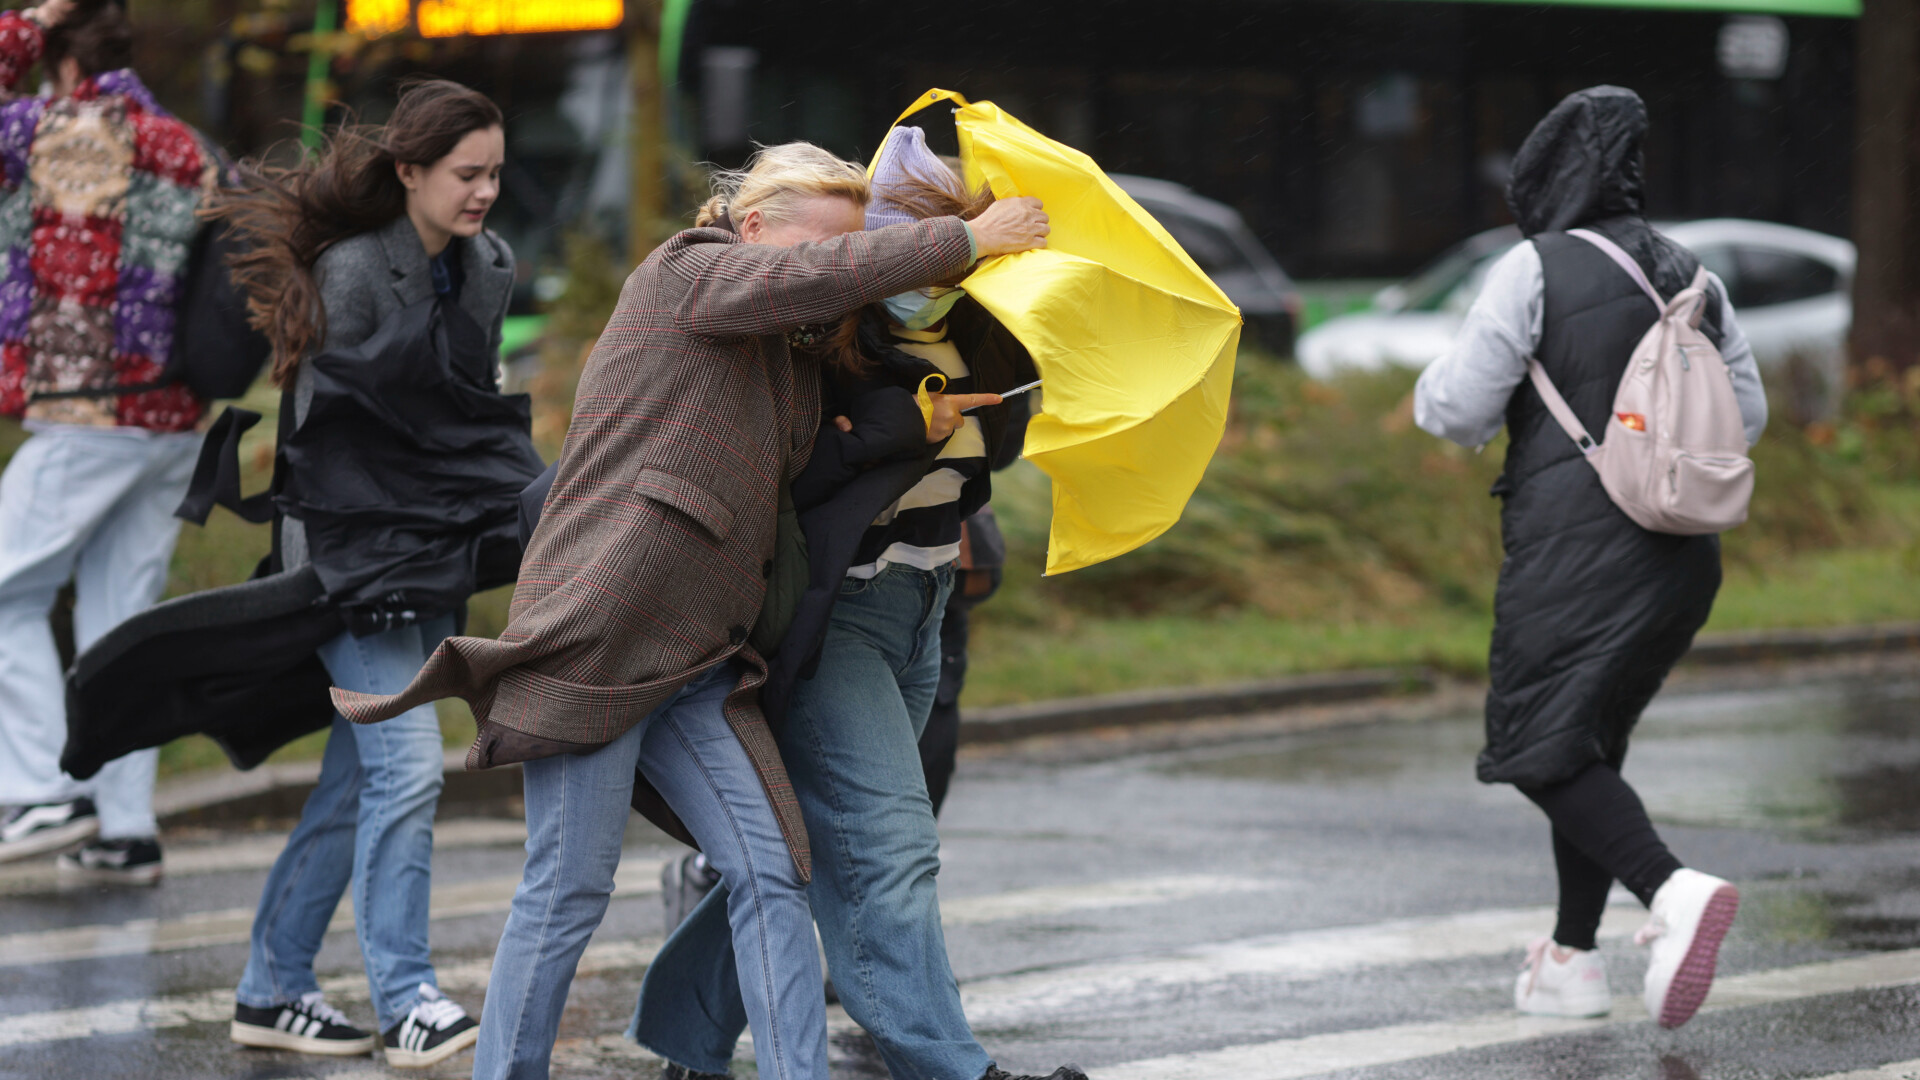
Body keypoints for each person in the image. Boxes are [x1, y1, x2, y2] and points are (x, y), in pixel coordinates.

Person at [329, 141, 1050, 1080]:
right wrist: (966, 239)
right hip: (602, 641)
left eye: (844, 248)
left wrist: (910, 422)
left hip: (700, 660)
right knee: (568, 893)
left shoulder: (789, 363)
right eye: (817, 248)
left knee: (773, 873)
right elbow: (812, 279)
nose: (832, 273)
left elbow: (806, 478)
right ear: (752, 227)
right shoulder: (687, 273)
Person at [633, 126, 1084, 1080]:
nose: (932, 262)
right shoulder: (827, 331)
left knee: (817, 844)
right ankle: (954, 1068)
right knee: (889, 849)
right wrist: (899, 422)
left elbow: (989, 456)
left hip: (924, 603)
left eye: (950, 235)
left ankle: (684, 1040)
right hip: (841, 616)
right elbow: (792, 480)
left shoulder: (970, 324)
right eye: (914, 239)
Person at [1412, 86, 1767, 1030]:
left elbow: (1457, 410)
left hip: (1576, 556)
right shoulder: (1695, 274)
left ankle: (1672, 889)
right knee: (1584, 744)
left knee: (1534, 742)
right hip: (1683, 557)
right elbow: (1748, 417)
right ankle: (1571, 960)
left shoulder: (1532, 267)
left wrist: (1434, 384)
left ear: (1545, 179)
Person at [215, 80, 522, 1068]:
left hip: (429, 552)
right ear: (409, 172)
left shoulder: (490, 268)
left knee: (357, 783)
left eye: (495, 174)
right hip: (346, 552)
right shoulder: (351, 272)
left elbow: (469, 418)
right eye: (466, 174)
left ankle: (272, 990)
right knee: (406, 766)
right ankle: (409, 998)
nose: (484, 192)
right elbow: (324, 445)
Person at [0, 0, 221, 880]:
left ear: (57, 57)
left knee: (5, 592)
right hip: (173, 421)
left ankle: (41, 791)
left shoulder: (42, 129)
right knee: (120, 626)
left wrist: (25, 20)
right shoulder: (186, 144)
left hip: (83, 410)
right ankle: (124, 828)